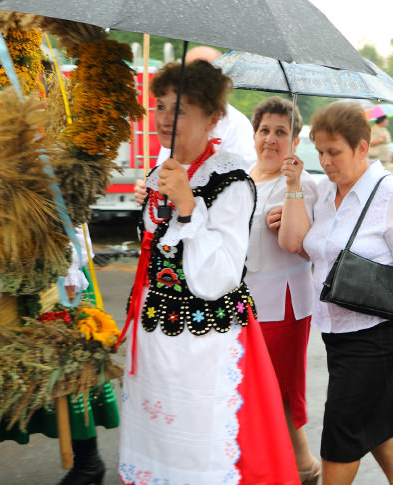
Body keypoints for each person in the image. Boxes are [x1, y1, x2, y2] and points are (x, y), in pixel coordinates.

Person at [118, 60, 298, 484]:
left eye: (180, 110)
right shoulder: (161, 171)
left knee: (199, 450)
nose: (164, 119)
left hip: (205, 347)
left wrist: (187, 206)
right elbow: (153, 258)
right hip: (154, 339)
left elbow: (219, 276)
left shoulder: (232, 180)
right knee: (157, 443)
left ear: (213, 116)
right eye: (160, 106)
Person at [277, 102, 393, 485]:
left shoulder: (392, 192)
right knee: (373, 411)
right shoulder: (324, 192)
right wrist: (293, 193)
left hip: (377, 327)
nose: (326, 161)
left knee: (342, 427)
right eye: (321, 152)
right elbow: (302, 246)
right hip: (335, 327)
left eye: (335, 152)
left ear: (362, 148)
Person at [0, 224, 120, 485]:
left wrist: (66, 275)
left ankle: (88, 464)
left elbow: (68, 221)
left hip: (43, 281)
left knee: (64, 374)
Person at [244, 96, 321, 484]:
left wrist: (291, 193)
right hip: (241, 302)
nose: (271, 140)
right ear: (253, 133)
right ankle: (277, 464)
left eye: (281, 132)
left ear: (295, 140)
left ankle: (302, 465)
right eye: (264, 131)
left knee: (282, 389)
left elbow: (299, 244)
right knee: (252, 387)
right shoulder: (240, 177)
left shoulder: (303, 183)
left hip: (283, 304)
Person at [155, 46, 256, 168]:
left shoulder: (237, 123)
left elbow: (248, 170)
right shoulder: (172, 126)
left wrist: (183, 187)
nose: (164, 120)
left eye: (200, 75)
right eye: (160, 107)